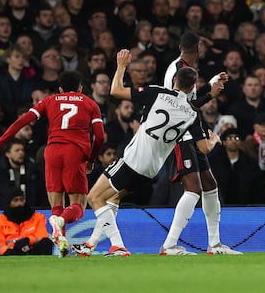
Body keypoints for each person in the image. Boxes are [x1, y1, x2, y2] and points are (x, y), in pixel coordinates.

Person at [74, 49, 220, 257]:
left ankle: (118, 246)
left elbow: (115, 91)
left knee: (94, 197)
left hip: (133, 160)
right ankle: (90, 244)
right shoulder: (192, 113)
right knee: (113, 198)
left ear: (175, 80)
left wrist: (122, 66)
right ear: (192, 88)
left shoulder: (157, 93)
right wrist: (213, 140)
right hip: (152, 170)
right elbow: (204, 148)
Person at [0, 70, 105, 257]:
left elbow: (21, 121)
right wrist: (91, 159)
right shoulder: (90, 103)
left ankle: (62, 246)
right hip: (75, 152)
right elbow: (100, 136)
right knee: (78, 207)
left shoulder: (50, 100)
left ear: (60, 88)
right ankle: (61, 222)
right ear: (80, 88)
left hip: (53, 151)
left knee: (56, 205)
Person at [159, 32, 238, 256]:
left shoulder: (181, 67)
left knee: (210, 185)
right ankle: (169, 245)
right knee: (193, 190)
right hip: (180, 134)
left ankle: (214, 245)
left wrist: (211, 85)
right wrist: (211, 95)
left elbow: (187, 101)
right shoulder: (178, 70)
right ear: (199, 48)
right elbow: (180, 107)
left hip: (189, 133)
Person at [0, 187, 53, 256]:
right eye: (15, 200)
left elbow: (42, 236)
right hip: (10, 253)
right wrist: (10, 251)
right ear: (9, 202)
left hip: (32, 250)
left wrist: (28, 240)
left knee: (47, 243)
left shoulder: (38, 217)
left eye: (21, 200)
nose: (19, 203)